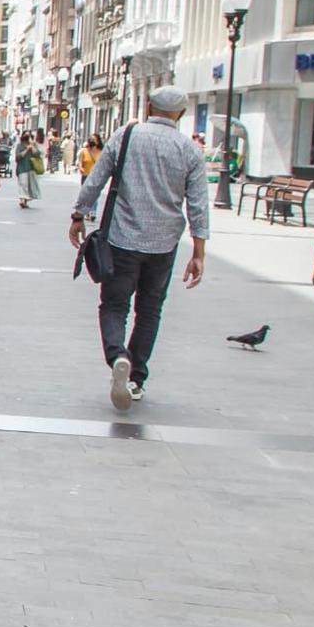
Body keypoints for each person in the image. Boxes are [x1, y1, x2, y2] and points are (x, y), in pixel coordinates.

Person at [70, 85, 209, 411]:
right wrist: (199, 252)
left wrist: (79, 214)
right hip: (163, 244)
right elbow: (199, 206)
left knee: (115, 305)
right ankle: (136, 377)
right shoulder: (189, 150)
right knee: (150, 310)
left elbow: (96, 178)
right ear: (182, 114)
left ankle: (118, 355)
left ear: (147, 106)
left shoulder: (126, 136)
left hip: (122, 239)